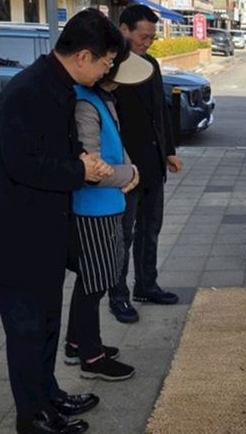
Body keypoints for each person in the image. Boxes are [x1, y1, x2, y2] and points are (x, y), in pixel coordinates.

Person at [0, 8, 120, 434]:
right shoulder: (28, 92)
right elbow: (23, 165)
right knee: (27, 332)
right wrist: (80, 169)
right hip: (16, 238)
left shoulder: (58, 86)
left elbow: (52, 150)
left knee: (47, 325)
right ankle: (32, 417)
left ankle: (49, 396)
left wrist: (80, 160)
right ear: (84, 56)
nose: (107, 70)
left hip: (43, 234)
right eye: (106, 62)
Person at [64, 41, 154, 381]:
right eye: (111, 68)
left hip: (107, 204)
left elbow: (116, 146)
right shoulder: (85, 103)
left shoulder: (101, 99)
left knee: (92, 280)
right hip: (92, 208)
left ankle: (77, 344)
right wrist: (128, 175)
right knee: (95, 283)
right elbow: (92, 167)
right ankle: (92, 356)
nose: (114, 78)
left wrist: (130, 170)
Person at [108, 4, 184, 323]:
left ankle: (146, 284)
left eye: (152, 38)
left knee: (150, 229)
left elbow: (160, 112)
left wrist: (169, 151)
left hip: (153, 165)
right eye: (143, 36)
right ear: (124, 30)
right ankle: (118, 295)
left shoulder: (150, 64)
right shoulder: (109, 68)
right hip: (124, 170)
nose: (148, 43)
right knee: (123, 236)